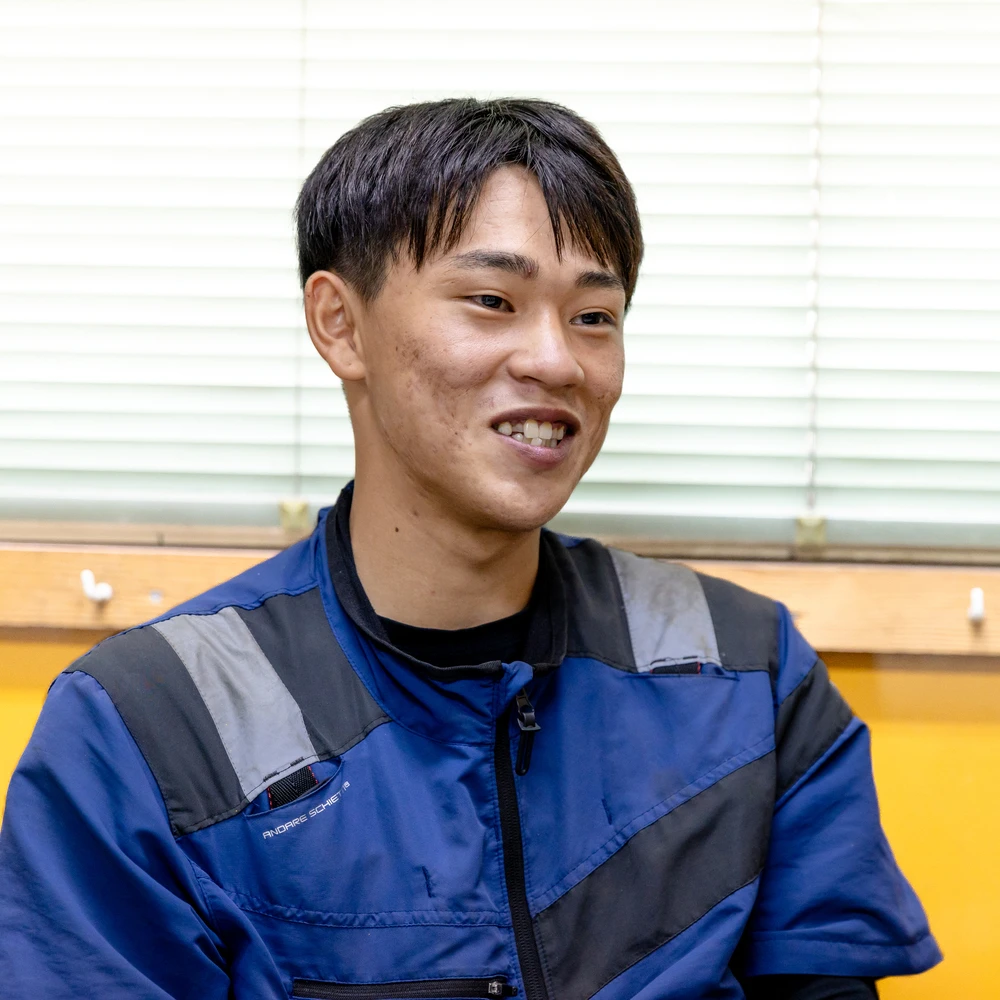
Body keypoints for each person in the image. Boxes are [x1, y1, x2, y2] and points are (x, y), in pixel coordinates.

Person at [0, 98, 939, 999]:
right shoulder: (146, 725)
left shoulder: (748, 673)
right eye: (492, 300)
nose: (556, 361)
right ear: (340, 324)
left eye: (594, 317)